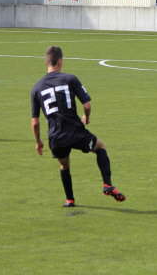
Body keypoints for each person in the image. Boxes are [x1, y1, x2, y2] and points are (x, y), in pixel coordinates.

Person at [30, 46, 126, 207]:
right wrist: (86, 117)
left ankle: (70, 200)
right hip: (75, 132)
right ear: (60, 61)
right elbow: (87, 105)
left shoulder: (36, 88)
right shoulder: (70, 79)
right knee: (100, 147)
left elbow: (35, 122)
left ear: (46, 62)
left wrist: (38, 141)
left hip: (56, 137)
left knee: (64, 165)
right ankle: (107, 184)